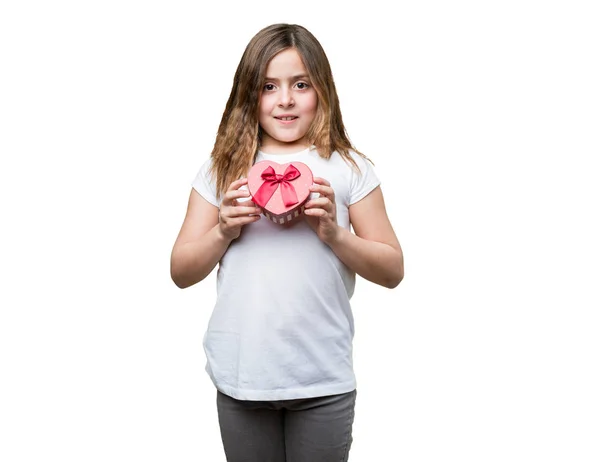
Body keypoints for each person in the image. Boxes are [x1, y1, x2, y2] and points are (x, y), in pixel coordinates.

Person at [170, 23, 404, 462]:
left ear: (322, 90)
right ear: (249, 94)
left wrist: (334, 233)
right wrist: (223, 230)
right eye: (268, 86)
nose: (286, 100)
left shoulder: (348, 168)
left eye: (301, 84)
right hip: (243, 377)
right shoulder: (221, 169)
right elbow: (181, 271)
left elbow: (393, 269)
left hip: (322, 379)